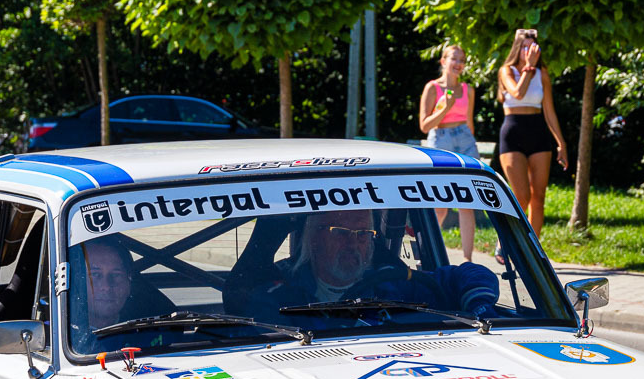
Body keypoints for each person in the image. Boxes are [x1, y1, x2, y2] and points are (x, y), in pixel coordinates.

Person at [240, 210, 499, 329]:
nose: (354, 243)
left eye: (363, 233)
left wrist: (481, 310)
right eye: (341, 232)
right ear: (314, 238)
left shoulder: (393, 284)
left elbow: (471, 274)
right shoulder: (278, 297)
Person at [496, 29, 568, 235]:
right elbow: (518, 93)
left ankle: (532, 248)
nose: (528, 51)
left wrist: (561, 143)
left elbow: (549, 111)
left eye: (532, 47)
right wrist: (528, 68)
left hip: (538, 133)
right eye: (524, 47)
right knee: (522, 196)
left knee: (538, 197)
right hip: (513, 133)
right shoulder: (507, 71)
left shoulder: (542, 73)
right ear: (517, 49)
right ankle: (506, 241)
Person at [418, 43, 478, 261]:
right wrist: (446, 108)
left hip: (465, 139)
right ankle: (428, 254)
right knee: (440, 205)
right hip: (440, 139)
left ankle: (468, 260)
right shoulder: (432, 88)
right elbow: (425, 126)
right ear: (443, 61)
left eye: (462, 60)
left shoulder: (468, 90)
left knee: (467, 203)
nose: (458, 63)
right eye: (454, 58)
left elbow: (469, 123)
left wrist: (471, 144)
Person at [72, 238, 174, 350]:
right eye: (95, 275)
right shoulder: (60, 336)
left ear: (129, 284)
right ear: (78, 283)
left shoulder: (151, 334)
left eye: (116, 275)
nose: (106, 286)